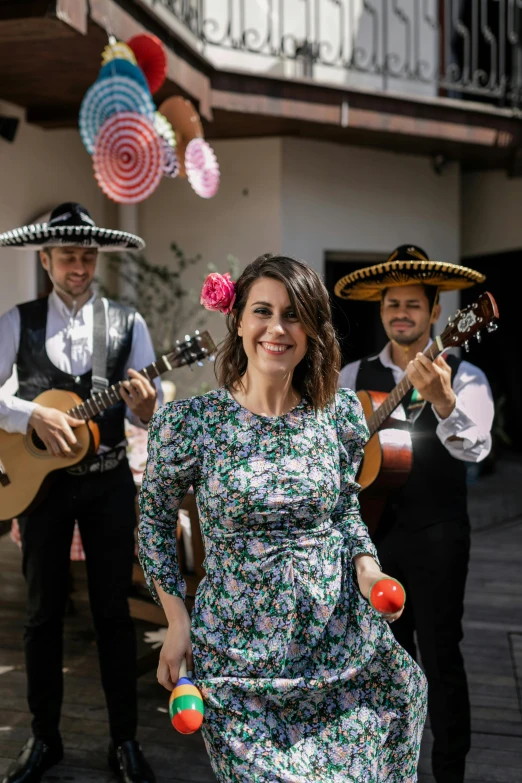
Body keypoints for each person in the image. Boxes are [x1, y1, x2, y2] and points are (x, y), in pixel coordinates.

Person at [138, 254, 427, 783]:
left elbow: (344, 509)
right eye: (262, 312)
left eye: (293, 315)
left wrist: (368, 570)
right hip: (236, 658)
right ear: (239, 322)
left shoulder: (338, 413)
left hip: (339, 648)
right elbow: (153, 524)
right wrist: (177, 620)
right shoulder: (189, 422)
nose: (277, 328)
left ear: (313, 328)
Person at [0, 203, 162, 783]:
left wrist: (147, 406)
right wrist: (28, 417)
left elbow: (152, 407)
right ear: (45, 259)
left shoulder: (127, 323)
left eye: (87, 254)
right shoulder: (17, 321)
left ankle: (124, 742)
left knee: (114, 613)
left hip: (110, 482)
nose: (79, 264)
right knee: (41, 616)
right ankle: (44, 739)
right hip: (41, 490)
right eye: (67, 254)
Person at [335, 246, 494, 783]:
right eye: (391, 304)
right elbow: (331, 442)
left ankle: (449, 772)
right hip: (373, 540)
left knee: (441, 655)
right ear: (381, 311)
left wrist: (444, 402)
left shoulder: (464, 374)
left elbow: (477, 450)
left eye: (412, 305)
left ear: (435, 314)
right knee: (383, 661)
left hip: (438, 534)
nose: (400, 313)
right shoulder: (353, 374)